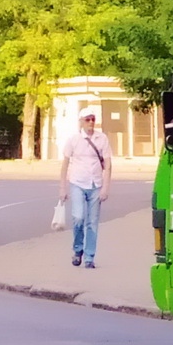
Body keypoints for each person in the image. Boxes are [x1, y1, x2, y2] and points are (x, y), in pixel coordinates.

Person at [59, 107, 112, 269]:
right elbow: (65, 164)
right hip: (77, 183)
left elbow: (108, 165)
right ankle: (77, 249)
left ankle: (89, 257)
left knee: (93, 222)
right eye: (87, 119)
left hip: (95, 184)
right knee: (78, 217)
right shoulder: (74, 140)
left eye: (93, 119)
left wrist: (105, 188)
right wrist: (63, 187)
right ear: (81, 122)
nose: (90, 123)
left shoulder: (101, 138)